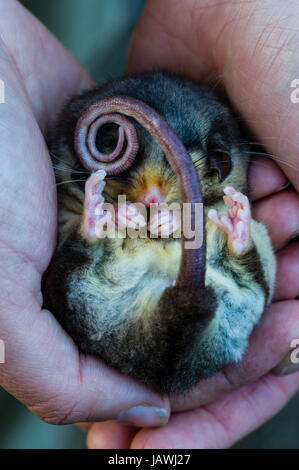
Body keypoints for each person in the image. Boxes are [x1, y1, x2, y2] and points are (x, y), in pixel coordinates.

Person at [0, 0, 298, 449]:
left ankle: (210, 274)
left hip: (164, 305)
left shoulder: (211, 161)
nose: (152, 199)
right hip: (136, 308)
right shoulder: (84, 157)